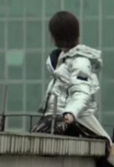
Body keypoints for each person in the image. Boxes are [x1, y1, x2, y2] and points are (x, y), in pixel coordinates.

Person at [35, 11, 109, 140]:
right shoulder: (60, 59)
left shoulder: (79, 61)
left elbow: (82, 91)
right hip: (54, 118)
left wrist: (71, 112)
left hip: (68, 121)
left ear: (55, 35)